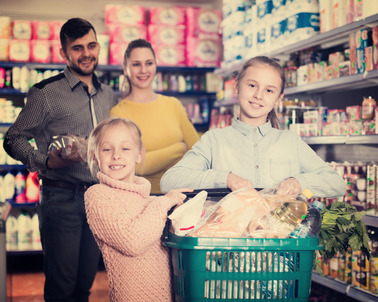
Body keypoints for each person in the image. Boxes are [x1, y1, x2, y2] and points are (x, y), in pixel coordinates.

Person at [3, 18, 118, 301]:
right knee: (61, 286)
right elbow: (13, 138)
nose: (86, 53)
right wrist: (45, 161)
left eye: (91, 45)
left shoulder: (107, 95)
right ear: (63, 53)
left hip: (98, 199)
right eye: (77, 48)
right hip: (61, 197)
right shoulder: (46, 94)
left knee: (84, 284)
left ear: (98, 47)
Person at [160, 56, 346, 198]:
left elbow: (337, 184)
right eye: (252, 85)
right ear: (236, 87)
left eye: (269, 90)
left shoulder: (290, 142)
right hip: (228, 243)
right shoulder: (214, 140)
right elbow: (169, 181)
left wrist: (298, 182)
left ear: (279, 98)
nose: (258, 95)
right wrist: (224, 178)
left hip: (280, 242)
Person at [84, 117, 190, 301]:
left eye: (125, 148)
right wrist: (164, 202)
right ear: (94, 156)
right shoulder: (98, 196)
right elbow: (132, 242)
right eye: (107, 149)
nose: (116, 155)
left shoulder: (149, 201)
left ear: (139, 154)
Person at [110, 39, 200, 194]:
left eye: (149, 63)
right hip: (143, 199)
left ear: (155, 65)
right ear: (126, 69)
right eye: (136, 64)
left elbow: (198, 149)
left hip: (182, 196)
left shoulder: (173, 104)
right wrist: (180, 148)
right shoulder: (119, 114)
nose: (144, 70)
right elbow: (135, 165)